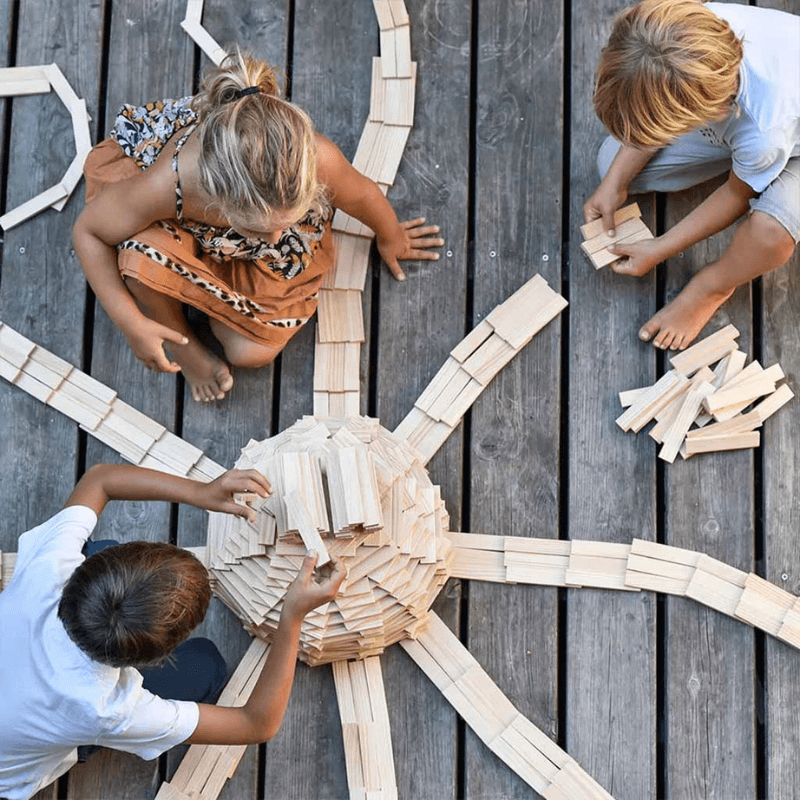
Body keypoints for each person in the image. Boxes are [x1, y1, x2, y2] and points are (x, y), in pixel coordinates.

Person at [73, 49, 444, 402]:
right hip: (185, 230)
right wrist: (131, 323)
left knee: (248, 353)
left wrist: (391, 236)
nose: (277, 238)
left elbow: (362, 195)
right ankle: (180, 338)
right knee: (139, 263)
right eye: (257, 229)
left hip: (240, 241)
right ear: (217, 198)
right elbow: (89, 232)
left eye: (289, 221)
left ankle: (209, 299)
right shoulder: (171, 183)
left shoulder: (318, 160)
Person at [0, 463, 346, 800]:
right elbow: (256, 724)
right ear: (154, 659)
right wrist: (292, 617)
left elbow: (100, 479)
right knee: (205, 664)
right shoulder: (106, 708)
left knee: (99, 547)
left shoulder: (49, 567)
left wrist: (201, 490)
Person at [584, 0, 799, 351]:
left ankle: (712, 285)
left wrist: (659, 248)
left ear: (704, 112)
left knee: (770, 234)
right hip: (736, 116)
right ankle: (741, 160)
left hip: (781, 136)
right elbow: (657, 91)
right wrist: (614, 184)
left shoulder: (765, 131)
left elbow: (735, 195)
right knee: (610, 163)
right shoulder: (684, 30)